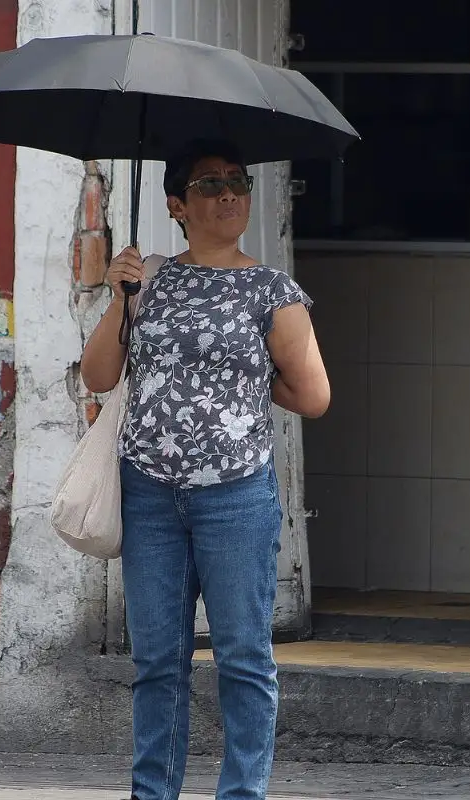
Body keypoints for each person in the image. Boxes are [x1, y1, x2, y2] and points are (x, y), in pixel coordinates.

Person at [80, 139, 331, 800]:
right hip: (150, 493)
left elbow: (312, 394)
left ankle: (242, 794)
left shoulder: (272, 290)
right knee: (158, 661)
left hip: (235, 496)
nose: (226, 195)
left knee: (244, 658)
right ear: (177, 205)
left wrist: (245, 384)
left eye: (236, 183)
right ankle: (152, 793)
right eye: (208, 185)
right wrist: (120, 297)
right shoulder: (150, 278)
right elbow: (100, 375)